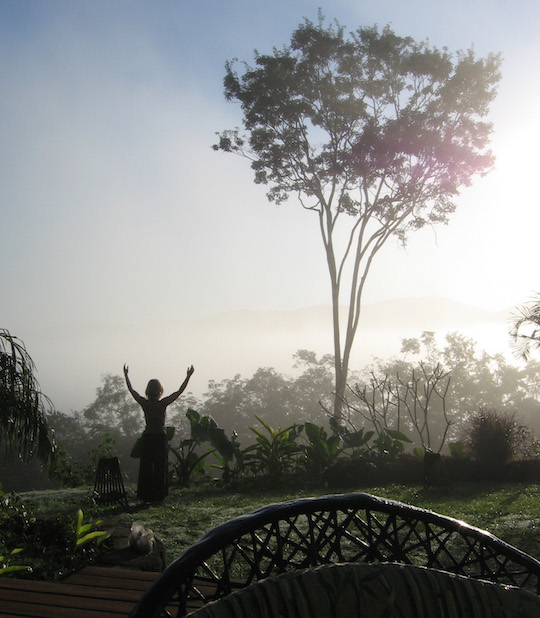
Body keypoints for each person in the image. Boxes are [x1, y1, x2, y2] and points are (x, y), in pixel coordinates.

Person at [124, 363, 195, 502]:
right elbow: (178, 392)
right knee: (160, 466)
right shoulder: (162, 404)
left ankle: (145, 494)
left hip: (148, 437)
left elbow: (132, 390)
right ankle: (158, 494)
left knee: (146, 465)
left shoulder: (145, 403)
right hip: (159, 437)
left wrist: (126, 375)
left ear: (148, 391)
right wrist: (188, 377)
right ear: (160, 391)